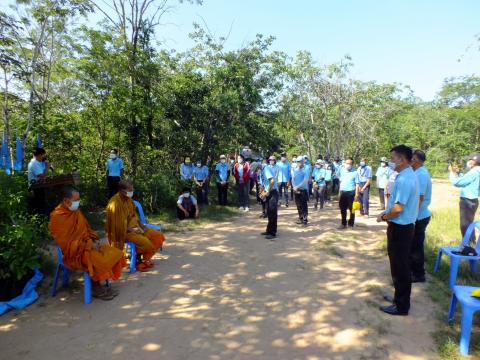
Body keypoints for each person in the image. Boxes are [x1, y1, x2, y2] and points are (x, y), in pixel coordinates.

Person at [49, 187, 126, 300]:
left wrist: (94, 240)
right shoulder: (57, 217)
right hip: (74, 254)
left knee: (114, 252)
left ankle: (99, 283)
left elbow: (87, 229)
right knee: (99, 260)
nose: (78, 202)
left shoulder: (75, 211)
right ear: (66, 201)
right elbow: (67, 245)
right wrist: (89, 245)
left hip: (87, 244)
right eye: (76, 200)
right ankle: (96, 288)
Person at [377, 145, 419, 316]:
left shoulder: (404, 179)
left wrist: (384, 217)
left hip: (400, 228)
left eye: (393, 158)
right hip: (403, 227)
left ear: (402, 160)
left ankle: (401, 306)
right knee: (398, 265)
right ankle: (398, 297)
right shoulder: (407, 175)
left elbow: (399, 208)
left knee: (400, 266)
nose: (391, 162)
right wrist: (386, 212)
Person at [106, 180, 165, 272]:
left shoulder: (129, 200)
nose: (132, 191)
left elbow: (134, 216)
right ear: (122, 190)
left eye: (132, 189)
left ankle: (143, 258)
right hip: (123, 232)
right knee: (146, 243)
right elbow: (116, 225)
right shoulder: (114, 204)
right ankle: (137, 261)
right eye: (130, 190)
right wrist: (131, 230)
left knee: (158, 236)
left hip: (137, 228)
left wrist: (142, 226)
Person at [410, 150, 432, 283]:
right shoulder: (418, 172)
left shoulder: (421, 174)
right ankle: (414, 270)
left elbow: (420, 197)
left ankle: (419, 274)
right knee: (414, 245)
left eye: (411, 159)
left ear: (416, 160)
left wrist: (412, 217)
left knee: (416, 246)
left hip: (419, 216)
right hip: (418, 215)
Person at [449, 153, 480, 244]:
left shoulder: (474, 172)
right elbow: (467, 180)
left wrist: (451, 172)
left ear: (475, 161)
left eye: (470, 160)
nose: (468, 162)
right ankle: (472, 243)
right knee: (469, 223)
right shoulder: (477, 171)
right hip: (473, 200)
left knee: (465, 225)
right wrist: (459, 172)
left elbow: (458, 183)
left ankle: (467, 246)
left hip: (467, 201)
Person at [28, 147, 52, 215]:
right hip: (35, 188)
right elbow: (42, 176)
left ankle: (41, 219)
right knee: (39, 207)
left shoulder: (38, 163)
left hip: (39, 187)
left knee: (41, 205)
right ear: (39, 155)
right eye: (43, 155)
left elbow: (43, 176)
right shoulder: (34, 163)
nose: (44, 157)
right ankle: (39, 221)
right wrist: (47, 167)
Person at [260, 156, 279, 240]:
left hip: (273, 192)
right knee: (269, 211)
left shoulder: (266, 169)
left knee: (272, 212)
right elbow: (264, 183)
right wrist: (262, 193)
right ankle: (268, 230)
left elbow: (272, 181)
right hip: (268, 192)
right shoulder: (263, 170)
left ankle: (272, 232)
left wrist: (267, 191)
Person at [338, 158, 359, 229]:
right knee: (342, 208)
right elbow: (341, 182)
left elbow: (357, 184)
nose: (348, 165)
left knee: (351, 209)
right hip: (343, 192)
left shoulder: (355, 172)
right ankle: (343, 223)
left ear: (352, 164)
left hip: (351, 192)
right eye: (346, 163)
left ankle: (351, 223)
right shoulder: (342, 171)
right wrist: (339, 192)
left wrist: (356, 194)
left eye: (349, 163)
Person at [292, 156, 309, 225]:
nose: (299, 163)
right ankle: (300, 218)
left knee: (304, 205)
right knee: (298, 205)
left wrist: (297, 187)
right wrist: (294, 187)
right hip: (296, 190)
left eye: (300, 161)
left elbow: (305, 181)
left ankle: (305, 219)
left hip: (302, 190)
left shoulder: (305, 170)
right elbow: (293, 179)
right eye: (297, 162)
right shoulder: (295, 170)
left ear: (302, 162)